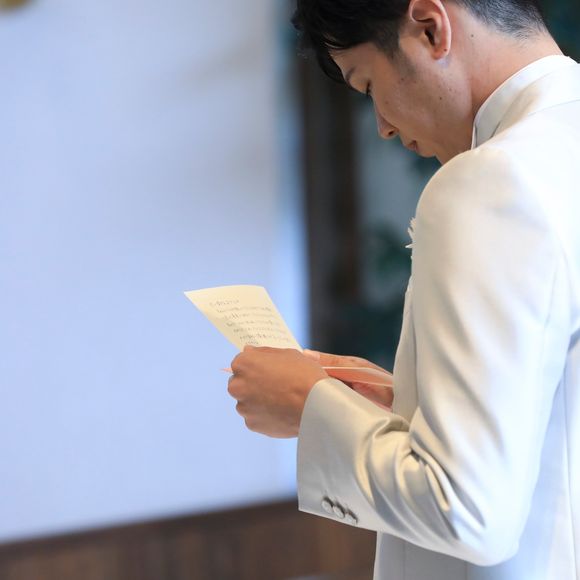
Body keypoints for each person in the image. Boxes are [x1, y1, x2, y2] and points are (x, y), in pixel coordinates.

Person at [227, 0, 580, 578]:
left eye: (368, 86)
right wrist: (410, 405)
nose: (384, 126)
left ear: (429, 27)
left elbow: (466, 509)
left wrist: (308, 405)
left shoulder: (491, 180)